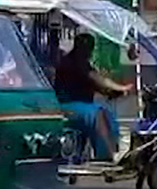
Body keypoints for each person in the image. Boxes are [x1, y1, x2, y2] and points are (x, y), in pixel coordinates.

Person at [54, 33, 132, 161]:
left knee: (107, 111)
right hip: (67, 105)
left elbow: (91, 84)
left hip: (81, 105)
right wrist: (121, 88)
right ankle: (109, 153)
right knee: (98, 113)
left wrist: (110, 93)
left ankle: (115, 149)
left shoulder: (82, 62)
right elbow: (97, 79)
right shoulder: (72, 61)